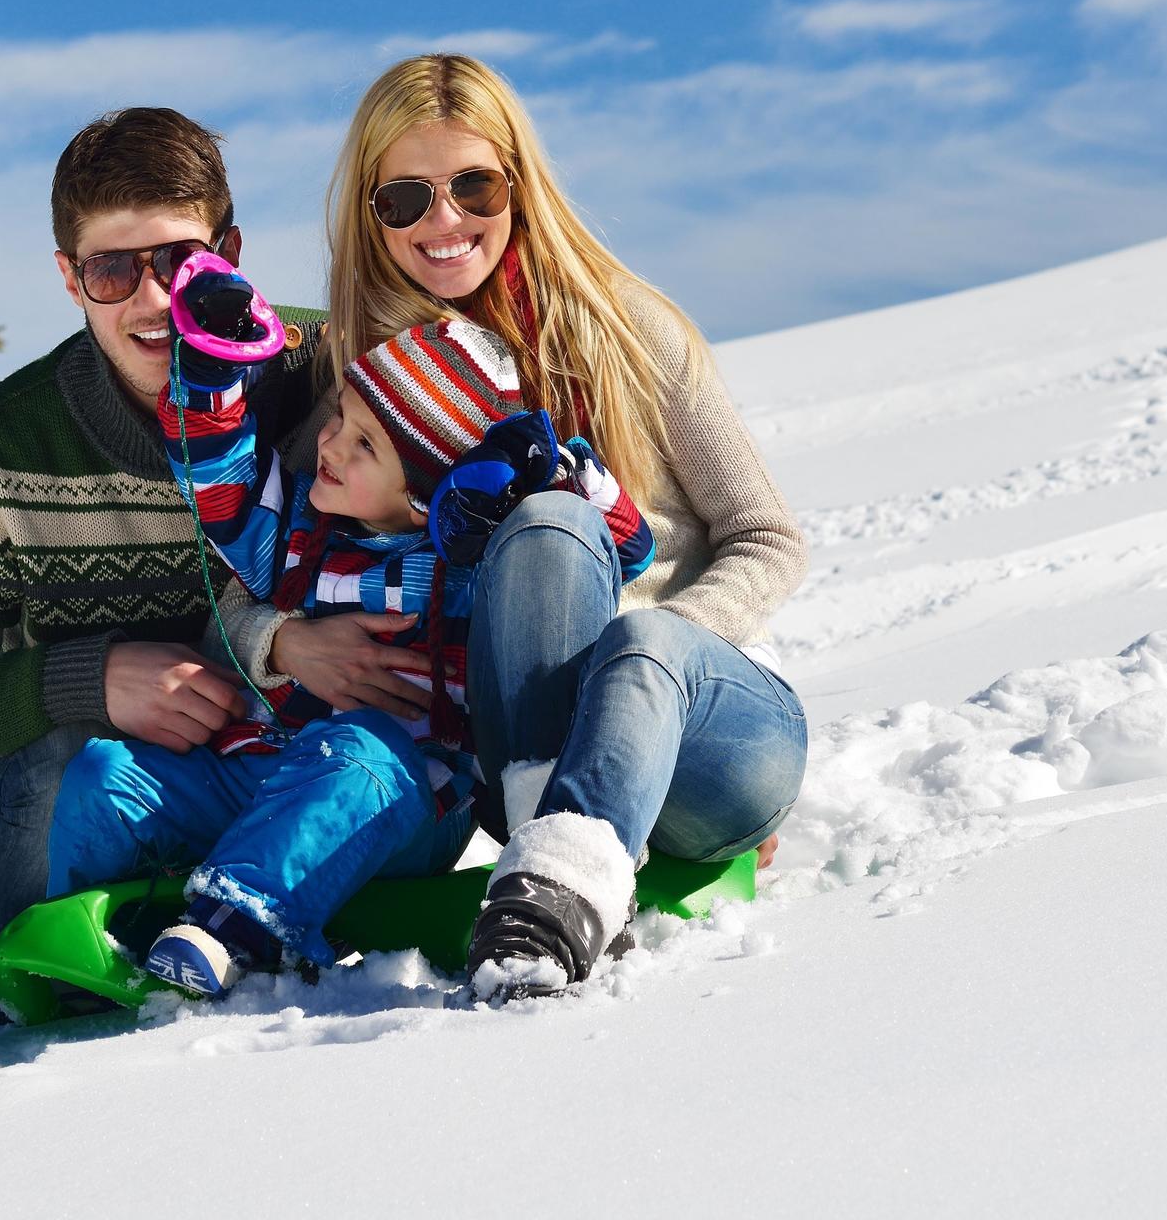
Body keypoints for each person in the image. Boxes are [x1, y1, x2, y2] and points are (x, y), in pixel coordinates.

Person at [323, 54, 809, 998]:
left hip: (697, 732)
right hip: (525, 768)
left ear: (519, 183)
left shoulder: (625, 329)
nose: (445, 221)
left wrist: (647, 680)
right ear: (368, 213)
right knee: (542, 524)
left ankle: (569, 863)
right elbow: (270, 550)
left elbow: (766, 535)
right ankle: (555, 879)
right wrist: (279, 640)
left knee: (618, 606)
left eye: (473, 186)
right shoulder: (363, 380)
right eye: (405, 200)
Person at [44, 256, 654, 995]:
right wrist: (209, 376)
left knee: (358, 746)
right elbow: (221, 482)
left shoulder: (470, 568)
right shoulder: (302, 534)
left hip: (394, 804)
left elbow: (623, 549)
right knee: (106, 774)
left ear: (437, 492)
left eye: (364, 445)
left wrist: (553, 471)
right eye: (340, 417)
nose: (328, 444)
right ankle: (78, 937)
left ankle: (240, 927)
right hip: (263, 773)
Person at [0, 108, 323, 935]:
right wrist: (83, 681)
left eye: (180, 260)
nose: (156, 298)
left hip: (268, 769)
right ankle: (62, 969)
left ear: (229, 255)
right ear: (70, 279)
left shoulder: (324, 375)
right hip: (52, 791)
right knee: (74, 757)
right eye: (112, 271)